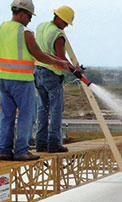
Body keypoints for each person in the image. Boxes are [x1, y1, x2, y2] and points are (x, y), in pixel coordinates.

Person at [0, 0, 70, 161]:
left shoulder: (2, 27)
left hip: (3, 79)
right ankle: (21, 151)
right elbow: (39, 55)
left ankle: (4, 150)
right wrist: (60, 63)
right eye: (30, 16)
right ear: (22, 13)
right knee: (27, 115)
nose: (30, 19)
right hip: (22, 80)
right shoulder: (25, 32)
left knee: (7, 115)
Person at [34, 6, 75, 153]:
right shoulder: (58, 35)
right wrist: (75, 70)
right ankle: (54, 144)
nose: (65, 26)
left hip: (38, 72)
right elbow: (61, 59)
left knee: (42, 109)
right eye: (65, 23)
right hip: (51, 75)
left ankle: (41, 143)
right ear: (58, 18)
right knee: (56, 109)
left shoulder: (41, 27)